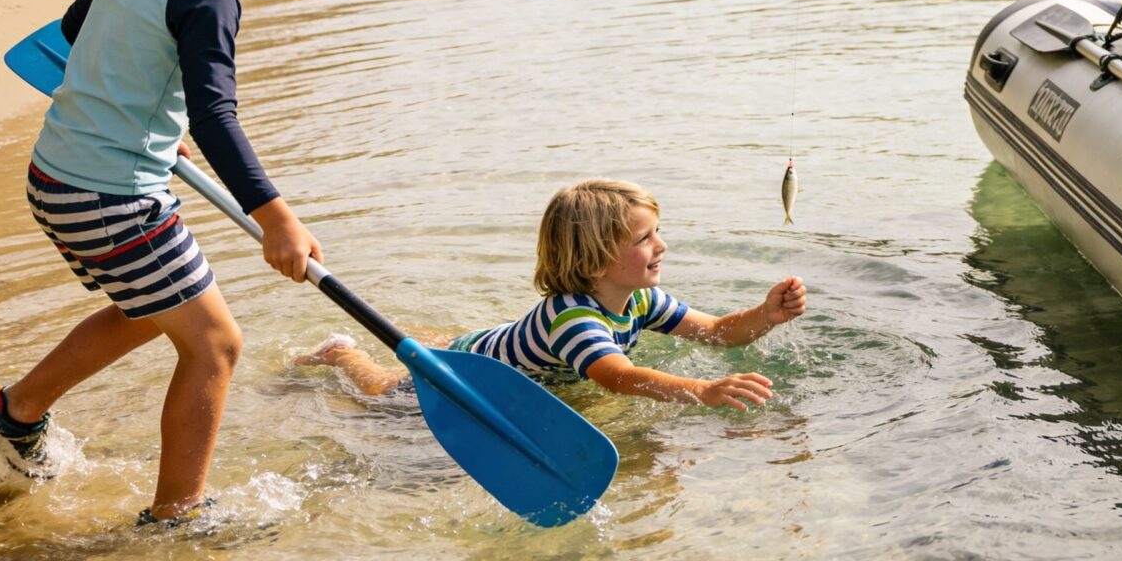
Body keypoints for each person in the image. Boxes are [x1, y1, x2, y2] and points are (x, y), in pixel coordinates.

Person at [0, 0, 324, 523]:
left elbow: (75, 31)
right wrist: (275, 216)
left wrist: (149, 113)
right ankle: (177, 517)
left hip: (59, 177)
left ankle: (16, 411)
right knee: (216, 344)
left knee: (151, 307)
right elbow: (217, 114)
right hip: (113, 195)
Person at [295, 179, 806, 408]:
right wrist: (701, 390)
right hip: (467, 373)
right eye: (644, 238)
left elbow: (717, 333)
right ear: (597, 259)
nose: (661, 245)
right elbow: (619, 379)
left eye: (657, 232)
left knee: (451, 341)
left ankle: (432, 339)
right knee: (386, 390)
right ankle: (341, 352)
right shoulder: (573, 320)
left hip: (493, 345)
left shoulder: (642, 300)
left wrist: (766, 313)